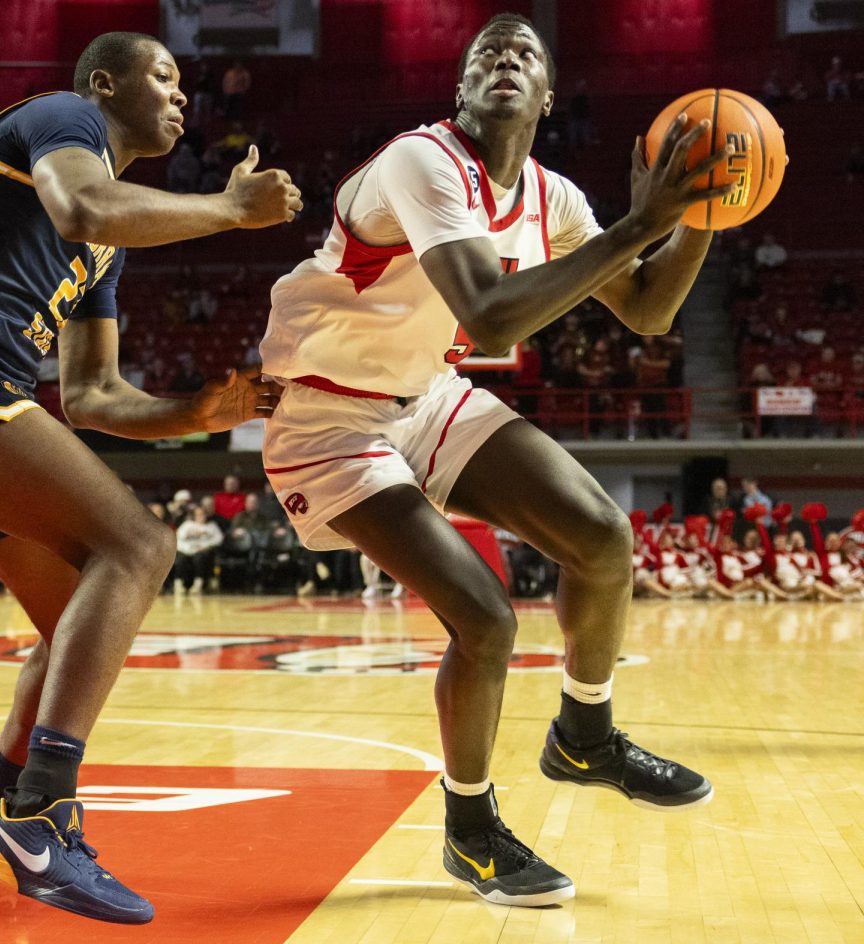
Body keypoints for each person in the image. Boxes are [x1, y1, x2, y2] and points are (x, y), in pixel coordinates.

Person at [258, 12, 723, 906]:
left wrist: (700, 217)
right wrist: (640, 224)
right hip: (327, 418)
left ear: (547, 96)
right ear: (463, 88)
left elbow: (649, 312)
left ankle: (584, 735)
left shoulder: (552, 196)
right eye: (486, 53)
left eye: (526, 53)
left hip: (424, 395)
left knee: (601, 537)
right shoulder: (420, 159)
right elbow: (496, 313)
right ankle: (468, 829)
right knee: (486, 618)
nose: (504, 57)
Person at [0, 32, 298, 924]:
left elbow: (92, 395)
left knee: (74, 630)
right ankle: (40, 815)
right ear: (106, 83)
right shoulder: (62, 120)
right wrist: (228, 211)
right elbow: (82, 207)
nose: (181, 96)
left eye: (183, 84)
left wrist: (195, 416)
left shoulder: (108, 250)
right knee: (139, 544)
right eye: (164, 76)